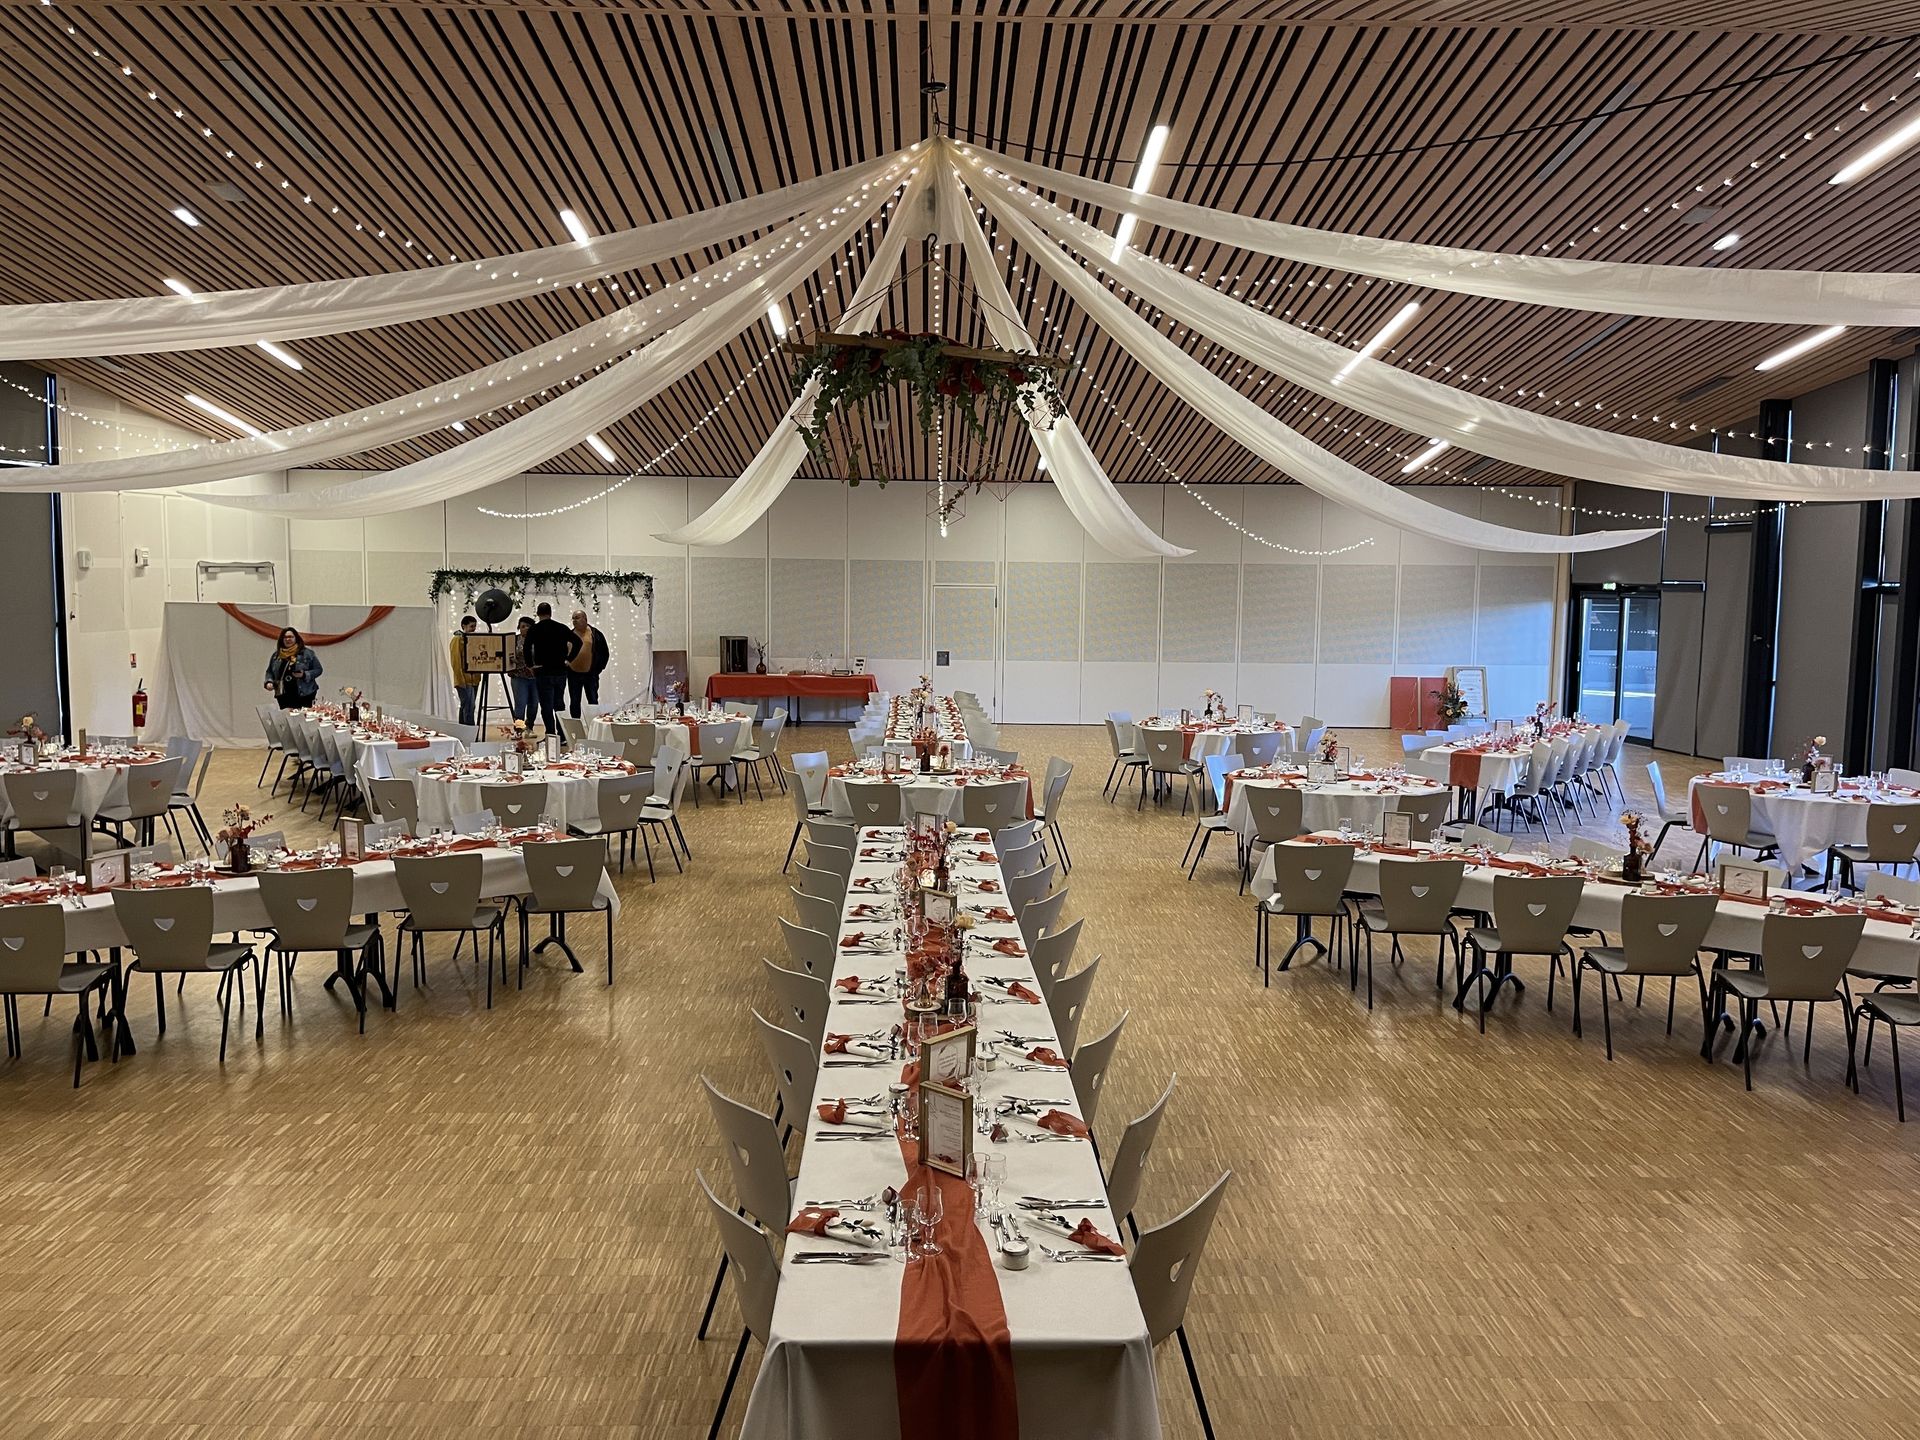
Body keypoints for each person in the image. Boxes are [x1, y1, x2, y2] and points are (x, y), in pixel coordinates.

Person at [524, 601, 578, 735]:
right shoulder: (561, 627)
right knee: (559, 704)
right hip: (560, 671)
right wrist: (569, 659)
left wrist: (530, 665)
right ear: (550, 613)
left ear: (538, 614)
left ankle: (550, 734)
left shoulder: (534, 629)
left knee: (546, 705)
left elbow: (526, 648)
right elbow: (578, 642)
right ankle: (562, 734)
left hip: (543, 671)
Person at [565, 608, 610, 719]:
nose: (574, 621)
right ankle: (576, 725)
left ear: (585, 619)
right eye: (573, 619)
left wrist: (598, 669)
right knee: (575, 701)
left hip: (591, 674)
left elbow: (605, 653)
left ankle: (594, 724)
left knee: (593, 701)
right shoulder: (569, 635)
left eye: (577, 618)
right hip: (573, 674)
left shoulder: (595, 634)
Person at [263, 627, 323, 709]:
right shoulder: (276, 656)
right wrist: (269, 682)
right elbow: (269, 672)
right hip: (283, 695)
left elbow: (318, 670)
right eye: (285, 637)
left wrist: (304, 675)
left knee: (302, 716)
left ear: (296, 638)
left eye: (290, 637)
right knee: (287, 716)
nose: (288, 639)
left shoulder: (307, 653)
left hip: (304, 694)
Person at [449, 615, 480, 727]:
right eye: (471, 626)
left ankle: (463, 730)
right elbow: (456, 661)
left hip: (474, 679)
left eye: (475, 626)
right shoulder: (457, 640)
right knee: (469, 707)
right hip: (464, 680)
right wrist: (460, 679)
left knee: (467, 706)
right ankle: (469, 731)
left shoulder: (472, 639)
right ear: (463, 626)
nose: (473, 629)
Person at [507, 616, 539, 723]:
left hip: (535, 677)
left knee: (534, 704)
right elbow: (507, 655)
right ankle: (519, 728)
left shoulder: (538, 640)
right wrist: (511, 661)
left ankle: (530, 726)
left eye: (528, 626)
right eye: (523, 626)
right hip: (519, 677)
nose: (525, 628)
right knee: (520, 704)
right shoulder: (514, 640)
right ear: (519, 628)